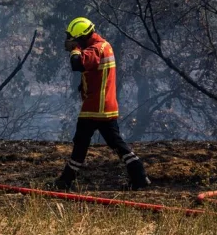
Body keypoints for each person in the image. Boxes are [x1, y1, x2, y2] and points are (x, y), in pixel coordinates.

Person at [54, 17, 150, 191]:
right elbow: (96, 74)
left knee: (81, 143)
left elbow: (78, 64)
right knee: (115, 143)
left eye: (73, 38)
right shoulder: (104, 46)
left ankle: (66, 181)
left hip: (95, 108)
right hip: (104, 106)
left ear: (82, 37)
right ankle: (139, 175)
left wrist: (74, 50)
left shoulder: (95, 49)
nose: (71, 41)